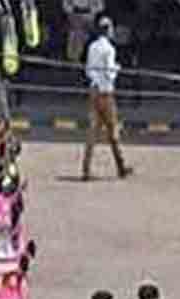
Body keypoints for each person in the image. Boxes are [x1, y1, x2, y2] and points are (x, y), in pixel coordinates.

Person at [81, 16, 133, 181]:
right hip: (106, 93)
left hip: (94, 90)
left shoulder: (92, 47)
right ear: (108, 30)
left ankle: (86, 169)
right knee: (113, 130)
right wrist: (117, 68)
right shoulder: (109, 49)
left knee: (93, 131)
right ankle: (121, 166)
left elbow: (88, 70)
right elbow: (110, 74)